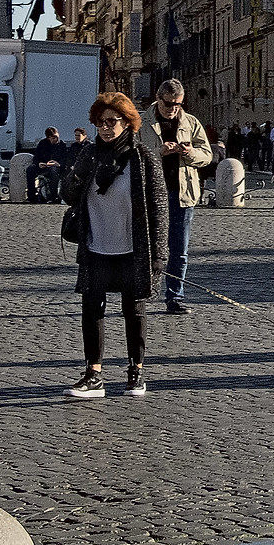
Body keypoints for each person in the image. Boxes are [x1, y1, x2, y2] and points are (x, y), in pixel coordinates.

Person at [63, 93, 166, 398]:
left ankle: (136, 371)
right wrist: (77, 175)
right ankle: (93, 375)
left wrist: (159, 254)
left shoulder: (143, 158)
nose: (106, 128)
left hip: (133, 249)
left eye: (112, 121)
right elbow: (68, 194)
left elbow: (160, 209)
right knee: (92, 309)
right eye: (100, 122)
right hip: (96, 246)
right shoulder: (89, 155)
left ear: (127, 122)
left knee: (133, 310)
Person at [149, 80, 215, 315]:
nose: (173, 109)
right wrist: (160, 152)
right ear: (158, 98)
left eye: (178, 104)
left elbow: (207, 156)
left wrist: (189, 153)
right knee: (147, 247)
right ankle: (142, 294)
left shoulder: (191, 122)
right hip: (151, 194)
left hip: (182, 193)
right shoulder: (142, 122)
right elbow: (132, 155)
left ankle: (174, 297)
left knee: (179, 249)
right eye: (169, 104)